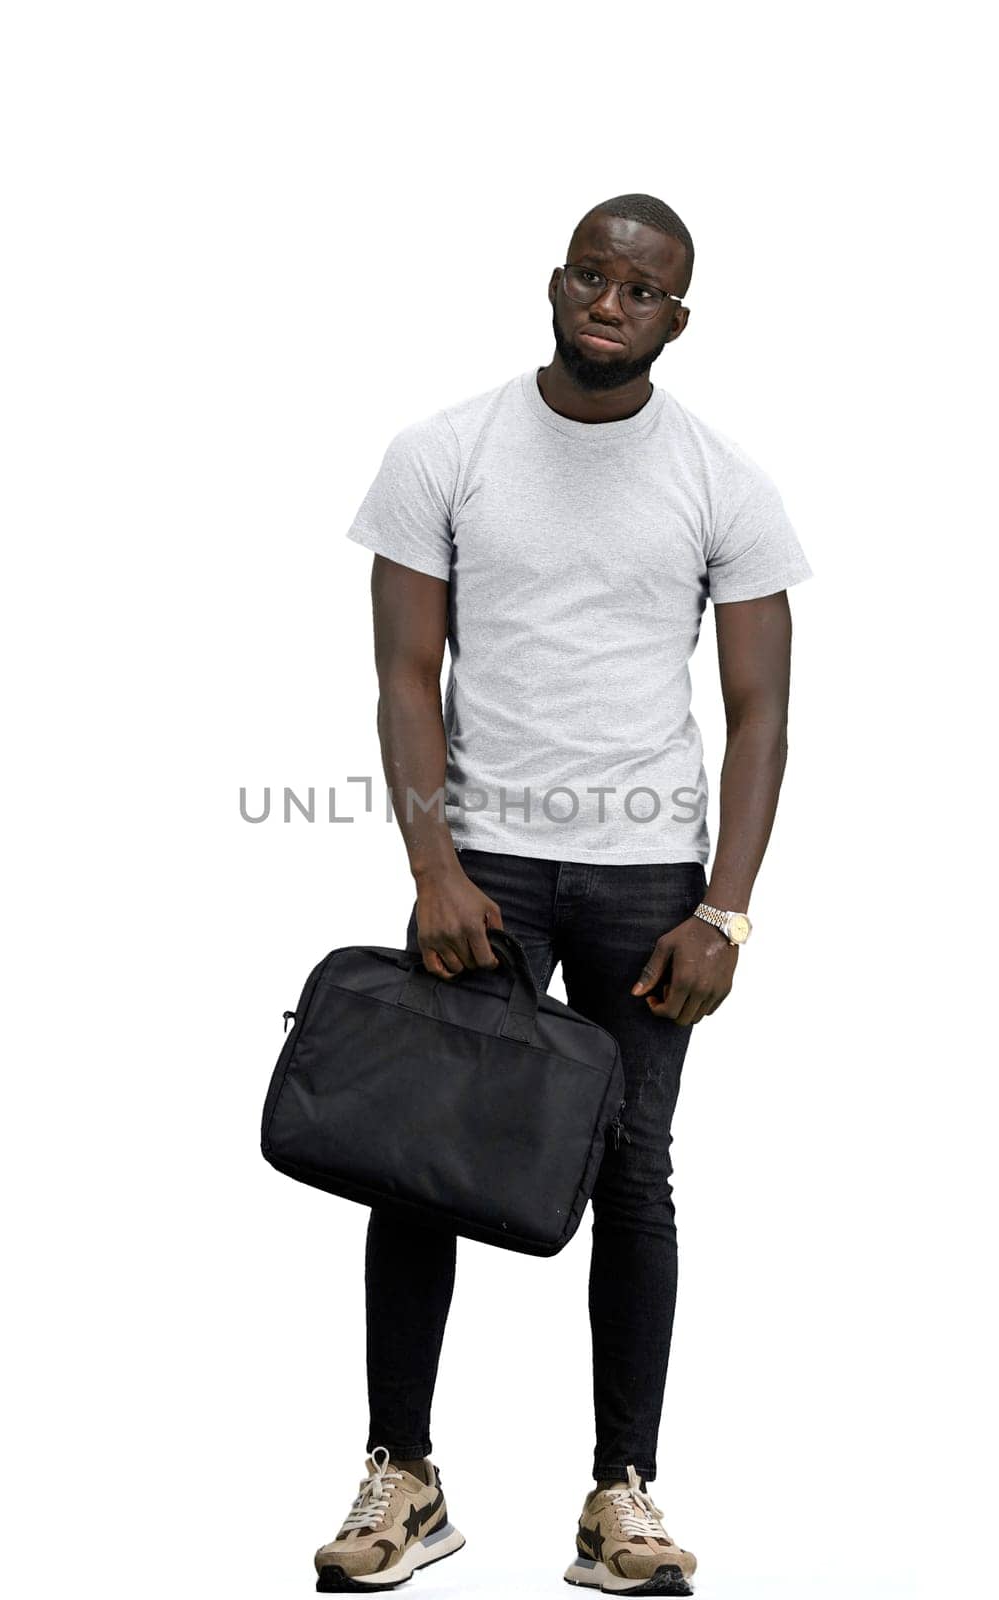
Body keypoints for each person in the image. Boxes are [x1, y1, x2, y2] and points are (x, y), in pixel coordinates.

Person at [312, 193, 812, 1595]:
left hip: (650, 883)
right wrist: (433, 867)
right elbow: (405, 676)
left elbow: (763, 711)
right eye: (593, 273)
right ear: (557, 283)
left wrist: (724, 911)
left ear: (675, 318)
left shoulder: (722, 479)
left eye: (641, 287)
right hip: (484, 874)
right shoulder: (446, 451)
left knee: (634, 1175)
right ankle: (402, 1474)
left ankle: (620, 1496)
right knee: (420, 1160)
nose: (611, 298)